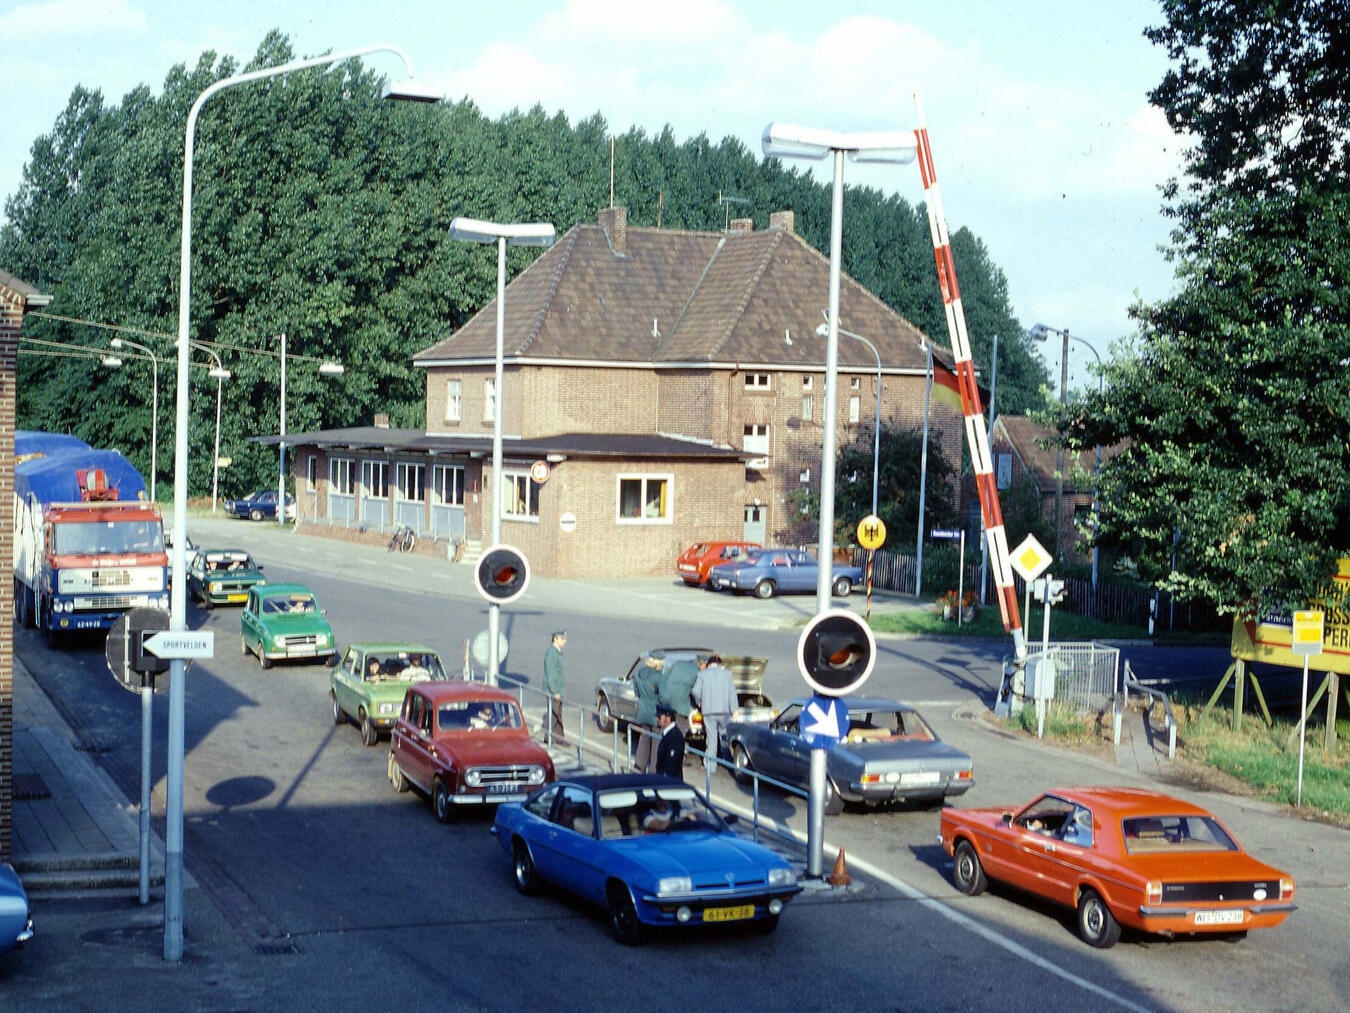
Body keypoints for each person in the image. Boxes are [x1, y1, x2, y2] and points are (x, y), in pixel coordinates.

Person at [693, 653, 736, 767]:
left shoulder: (702, 674)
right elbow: (732, 693)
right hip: (725, 712)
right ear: (719, 664)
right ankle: (728, 763)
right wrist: (734, 709)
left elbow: (695, 691)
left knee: (711, 739)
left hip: (708, 711)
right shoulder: (727, 674)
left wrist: (699, 701)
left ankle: (710, 766)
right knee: (725, 737)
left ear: (709, 664)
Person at [631, 655, 663, 773]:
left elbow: (636, 693)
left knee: (643, 740)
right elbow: (663, 695)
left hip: (643, 712)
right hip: (655, 714)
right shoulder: (658, 677)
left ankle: (638, 768)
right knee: (656, 744)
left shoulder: (638, 673)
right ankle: (653, 772)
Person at [661, 653, 699, 736]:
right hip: (681, 705)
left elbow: (663, 679)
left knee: (666, 730)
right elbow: (696, 691)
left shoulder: (676, 664)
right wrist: (698, 701)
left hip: (667, 702)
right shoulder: (695, 668)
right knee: (680, 731)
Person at [542, 630, 568, 744]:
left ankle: (558, 737)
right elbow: (551, 675)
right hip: (554, 691)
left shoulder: (556, 652)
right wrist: (555, 692)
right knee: (553, 714)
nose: (565, 641)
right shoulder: (552, 654)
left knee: (558, 714)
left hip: (559, 690)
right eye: (562, 639)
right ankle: (549, 738)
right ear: (555, 639)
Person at [654, 704, 685, 781]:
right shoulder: (667, 733)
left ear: (668, 718)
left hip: (670, 782)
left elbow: (671, 765)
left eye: (659, 717)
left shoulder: (675, 737)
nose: (657, 719)